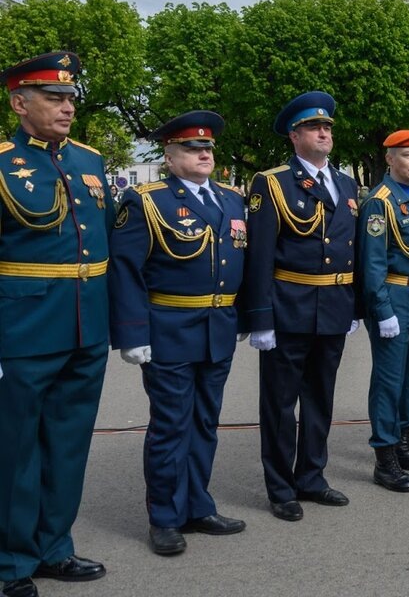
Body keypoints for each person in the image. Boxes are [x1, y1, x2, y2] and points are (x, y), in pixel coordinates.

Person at [108, 111, 247, 555]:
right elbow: (127, 270)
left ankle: (198, 505)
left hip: (218, 328)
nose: (203, 154)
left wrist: (244, 315)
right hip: (168, 329)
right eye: (192, 148)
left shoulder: (230, 200)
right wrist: (132, 332)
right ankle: (165, 517)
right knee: (170, 425)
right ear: (169, 156)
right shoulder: (146, 201)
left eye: (207, 148)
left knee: (205, 422)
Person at [0, 52, 111, 597]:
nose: (67, 106)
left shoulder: (90, 161)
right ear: (20, 103)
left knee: (68, 442)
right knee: (16, 448)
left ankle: (53, 547)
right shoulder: (0, 163)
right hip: (22, 325)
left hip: (86, 323)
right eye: (54, 97)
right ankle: (10, 562)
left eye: (70, 98)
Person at [244, 91, 359, 521]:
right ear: (295, 136)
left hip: (332, 306)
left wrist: (355, 308)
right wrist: (260, 318)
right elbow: (259, 255)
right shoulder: (272, 182)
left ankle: (312, 476)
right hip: (288, 307)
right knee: (279, 404)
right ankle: (280, 487)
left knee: (319, 399)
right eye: (314, 127)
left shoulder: (346, 184)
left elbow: (352, 250)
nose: (324, 132)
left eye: (327, 127)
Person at [358, 130, 409, 492]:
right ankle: (384, 456)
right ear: (389, 159)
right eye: (408, 155)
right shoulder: (380, 202)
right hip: (393, 297)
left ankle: (403, 441)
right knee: (389, 380)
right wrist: (381, 309)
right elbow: (372, 263)